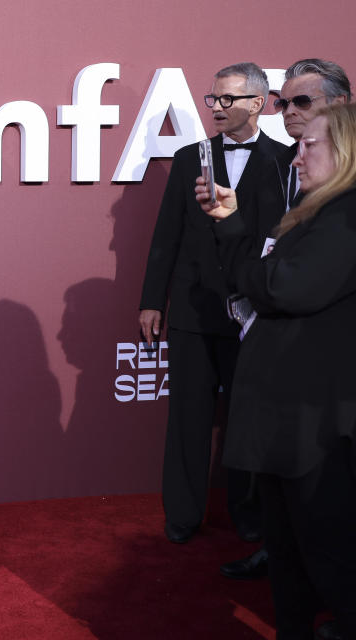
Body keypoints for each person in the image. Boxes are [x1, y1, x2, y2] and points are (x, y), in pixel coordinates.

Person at [197, 103, 356, 640]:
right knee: (288, 553)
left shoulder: (348, 215)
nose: (297, 158)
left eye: (310, 145)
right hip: (286, 421)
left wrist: (257, 274)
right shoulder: (317, 214)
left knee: (327, 553)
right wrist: (234, 225)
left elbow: (283, 287)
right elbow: (263, 276)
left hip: (315, 427)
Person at [139, 62, 287, 543]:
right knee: (186, 418)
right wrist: (151, 300)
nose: (217, 108)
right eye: (213, 99)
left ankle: (248, 520)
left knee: (244, 424)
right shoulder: (189, 159)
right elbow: (166, 237)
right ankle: (181, 516)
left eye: (228, 100)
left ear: (258, 104)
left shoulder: (287, 162)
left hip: (252, 313)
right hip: (191, 308)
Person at [220, 59, 351, 588]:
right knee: (296, 525)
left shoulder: (345, 203)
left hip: (325, 397)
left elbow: (288, 284)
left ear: (340, 110)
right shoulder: (291, 171)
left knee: (330, 539)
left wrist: (259, 279)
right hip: (285, 376)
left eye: (301, 102)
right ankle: (281, 556)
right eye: (282, 102)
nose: (287, 113)